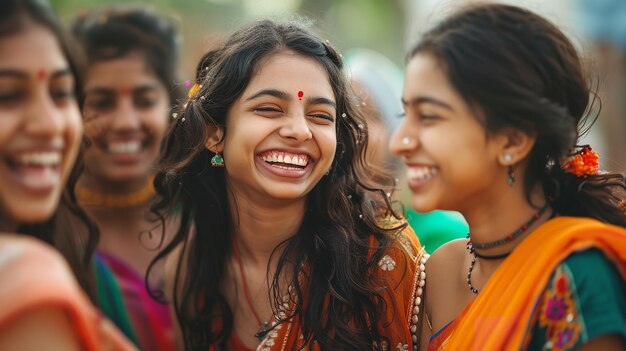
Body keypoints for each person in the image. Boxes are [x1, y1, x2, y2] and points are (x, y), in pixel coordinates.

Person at [151, 19, 427, 351]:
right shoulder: (188, 270)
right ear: (215, 133)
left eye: (320, 116)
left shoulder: (382, 260)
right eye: (269, 109)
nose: (299, 130)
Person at [390, 3, 626, 350]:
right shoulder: (441, 270)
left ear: (513, 141)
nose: (400, 142)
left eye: (428, 117)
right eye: (404, 114)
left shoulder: (577, 274)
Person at [0, 0, 134, 349]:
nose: (50, 125)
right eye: (9, 95)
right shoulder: (26, 279)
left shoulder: (67, 254)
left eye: (61, 93)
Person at [71, 6, 179, 351]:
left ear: (170, 105)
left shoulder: (206, 214)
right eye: (100, 102)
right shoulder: (48, 233)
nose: (126, 122)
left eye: (145, 100)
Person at [346, 48, 468, 253]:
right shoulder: (307, 224)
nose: (352, 125)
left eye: (369, 113)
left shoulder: (443, 235)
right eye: (343, 112)